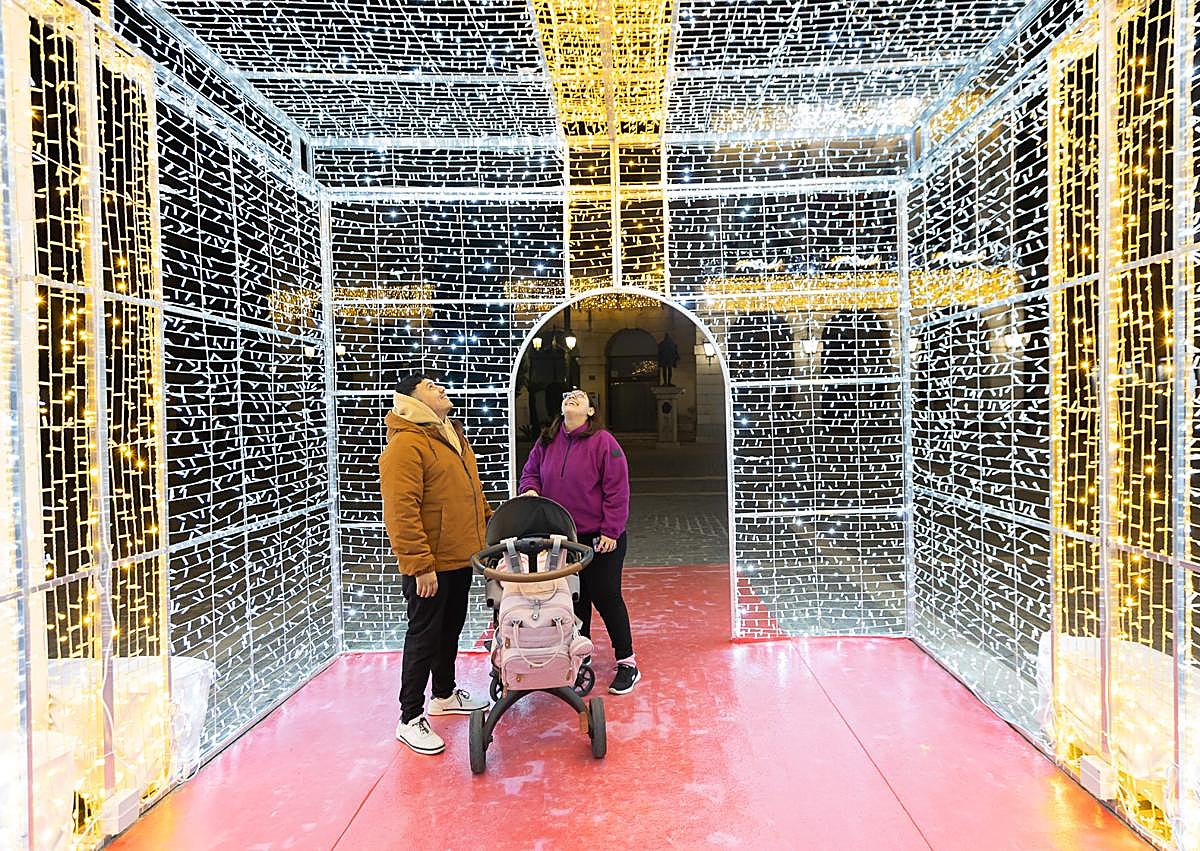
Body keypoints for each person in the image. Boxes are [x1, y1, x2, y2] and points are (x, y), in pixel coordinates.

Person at [380, 374, 491, 755]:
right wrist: (418, 563)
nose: (442, 388)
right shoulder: (407, 445)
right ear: (410, 399)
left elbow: (469, 494)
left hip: (459, 557)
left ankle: (443, 695)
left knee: (450, 631)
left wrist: (491, 526)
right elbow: (401, 511)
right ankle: (409, 717)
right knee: (424, 637)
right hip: (430, 564)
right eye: (430, 386)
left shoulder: (449, 436)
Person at [517, 389, 640, 695]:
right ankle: (578, 656)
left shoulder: (603, 443)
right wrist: (530, 489)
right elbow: (530, 471)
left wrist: (611, 531)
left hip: (599, 537)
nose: (572, 398)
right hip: (561, 537)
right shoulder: (547, 439)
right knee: (574, 599)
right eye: (568, 396)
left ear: (590, 412)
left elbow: (617, 489)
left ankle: (627, 661)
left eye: (580, 398)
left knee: (607, 596)